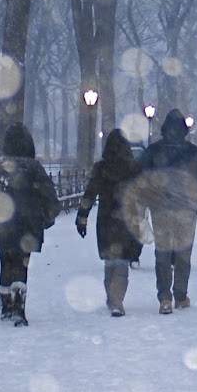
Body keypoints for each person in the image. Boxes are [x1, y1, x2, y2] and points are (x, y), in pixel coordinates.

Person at [0, 122, 61, 327]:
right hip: (27, 226)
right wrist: (47, 217)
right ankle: (19, 308)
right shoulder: (34, 168)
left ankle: (6, 306)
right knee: (22, 264)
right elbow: (49, 196)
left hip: (1, 225)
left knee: (5, 263)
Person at [136, 108, 197, 314]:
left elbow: (140, 178)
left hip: (160, 208)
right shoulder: (193, 152)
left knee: (162, 253)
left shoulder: (153, 151)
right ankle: (180, 295)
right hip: (186, 209)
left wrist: (145, 201)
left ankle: (164, 297)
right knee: (183, 254)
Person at [75, 128, 148, 316]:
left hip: (106, 218)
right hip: (127, 218)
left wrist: (82, 217)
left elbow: (90, 193)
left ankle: (111, 296)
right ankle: (117, 300)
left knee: (110, 260)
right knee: (122, 260)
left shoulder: (101, 168)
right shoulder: (133, 168)